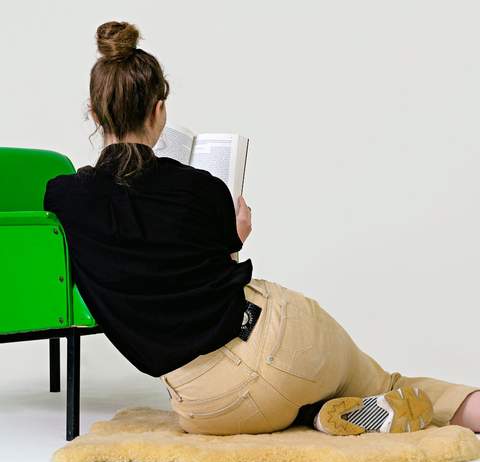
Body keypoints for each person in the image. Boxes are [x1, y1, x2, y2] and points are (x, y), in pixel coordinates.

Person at [43, 21, 480, 437]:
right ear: (159, 110)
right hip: (284, 340)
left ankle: (317, 416)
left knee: (274, 401)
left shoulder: (63, 197)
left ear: (94, 113)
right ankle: (362, 407)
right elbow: (212, 276)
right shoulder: (200, 188)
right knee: (387, 382)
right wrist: (235, 237)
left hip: (209, 408)